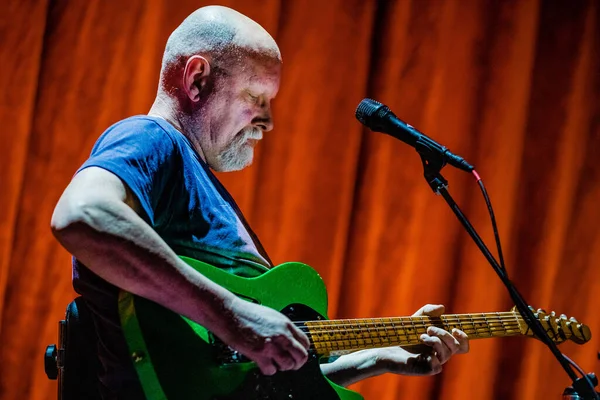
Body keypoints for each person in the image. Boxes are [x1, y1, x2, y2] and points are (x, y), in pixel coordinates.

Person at [51, 5, 469, 399]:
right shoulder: (152, 139)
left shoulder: (201, 186)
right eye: (257, 97)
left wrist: (379, 357)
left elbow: (249, 384)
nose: (268, 121)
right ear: (197, 79)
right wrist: (232, 314)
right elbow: (82, 215)